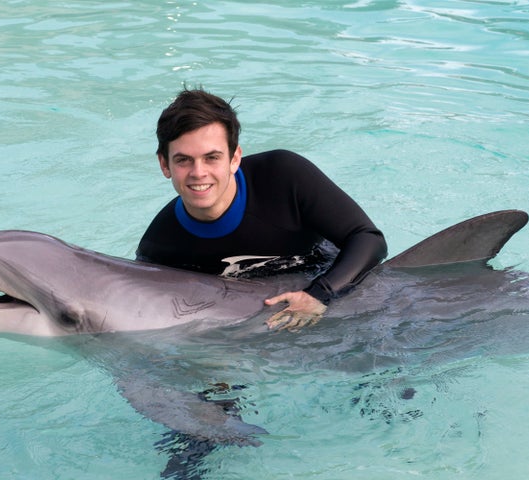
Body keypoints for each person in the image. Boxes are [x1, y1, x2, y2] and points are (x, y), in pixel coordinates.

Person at [136, 88, 387, 330]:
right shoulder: (160, 246)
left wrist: (320, 294)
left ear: (235, 159)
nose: (198, 173)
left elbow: (368, 239)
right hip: (263, 319)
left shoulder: (283, 175)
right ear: (164, 164)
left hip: (333, 281)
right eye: (183, 160)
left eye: (212, 157)